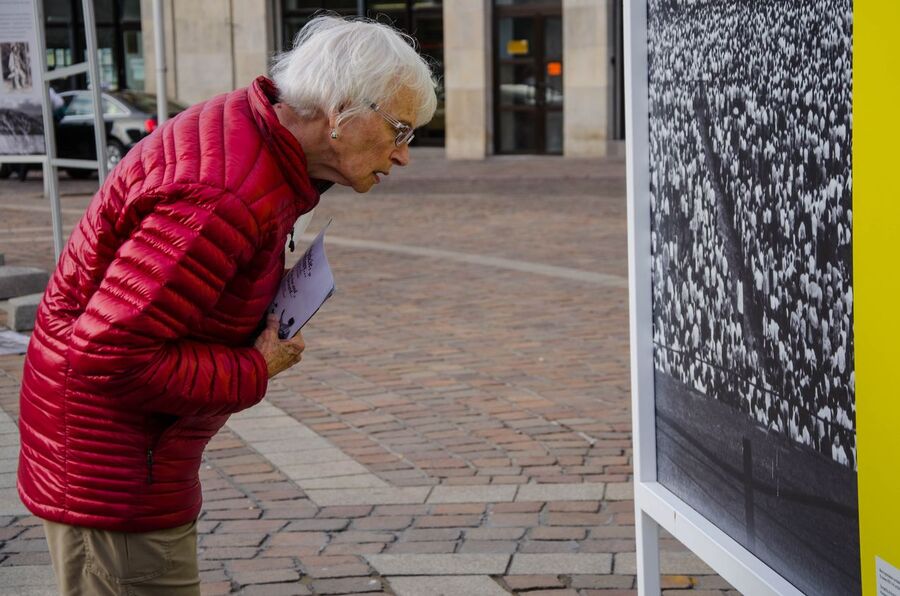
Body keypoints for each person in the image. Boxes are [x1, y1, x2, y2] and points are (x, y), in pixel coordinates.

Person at [17, 15, 436, 595]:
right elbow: (107, 355)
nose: (404, 154)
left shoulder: (250, 137)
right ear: (340, 112)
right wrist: (254, 367)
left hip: (124, 459)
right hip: (114, 475)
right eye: (400, 129)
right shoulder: (225, 192)